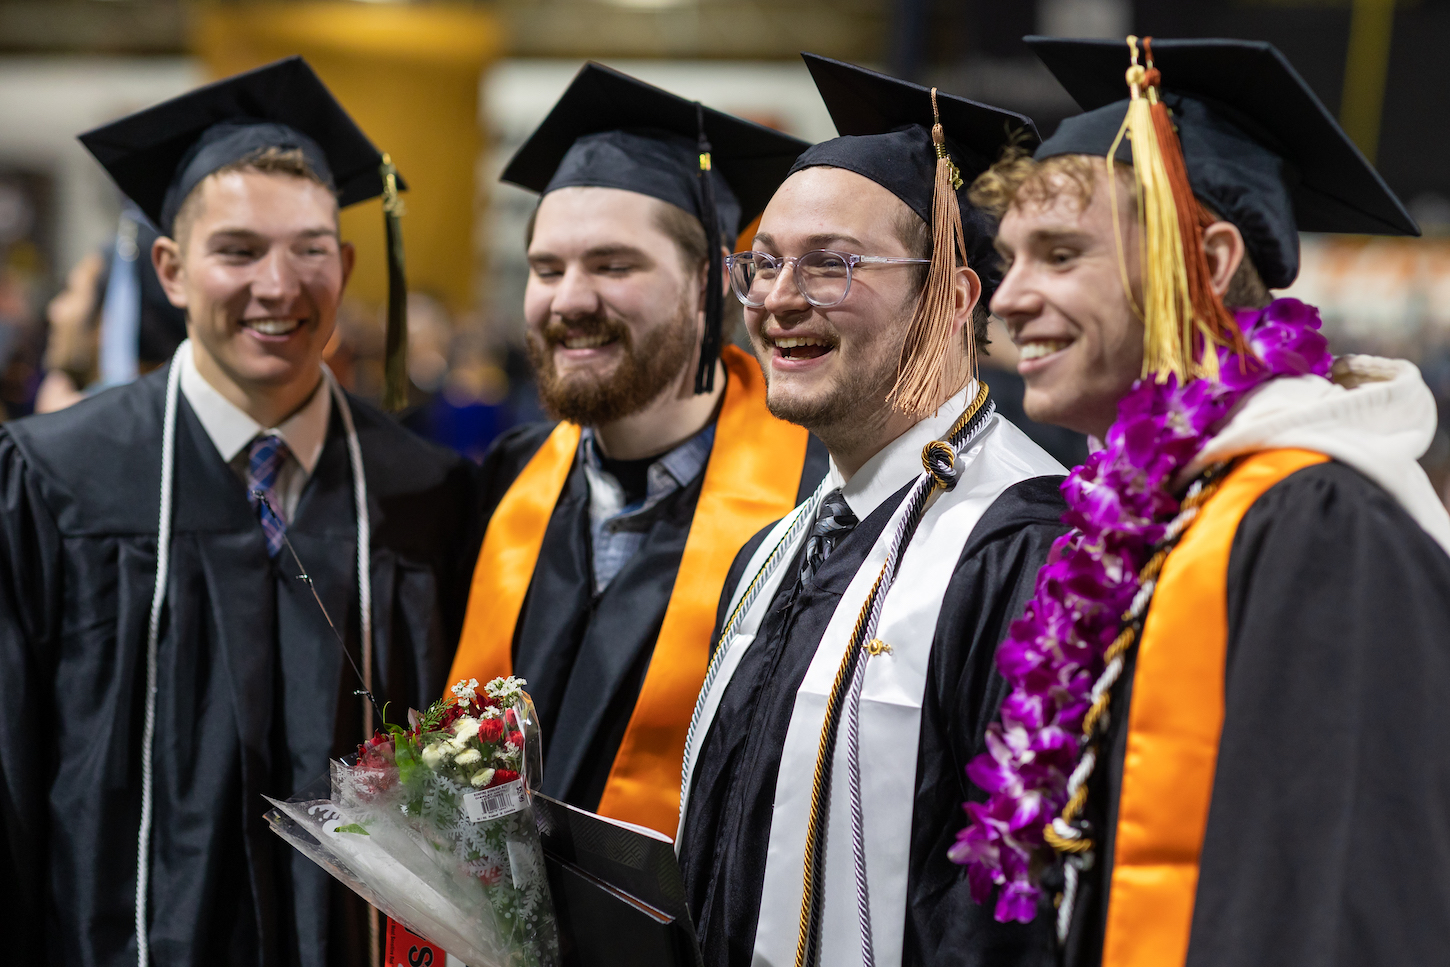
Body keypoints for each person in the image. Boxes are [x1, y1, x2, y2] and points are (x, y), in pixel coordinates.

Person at [956, 36, 1450, 967]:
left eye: (1059, 254)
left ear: (1211, 258)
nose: (1009, 297)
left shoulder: (1318, 523)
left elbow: (1349, 903)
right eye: (1008, 259)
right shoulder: (1150, 519)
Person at [0, 58, 480, 966]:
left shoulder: (425, 492)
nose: (278, 284)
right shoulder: (56, 478)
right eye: (237, 250)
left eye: (308, 249)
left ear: (342, 264)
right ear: (172, 271)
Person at [676, 55, 1070, 967]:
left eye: (831, 266)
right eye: (764, 264)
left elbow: (1007, 926)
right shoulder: (775, 550)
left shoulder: (1022, 549)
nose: (777, 300)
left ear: (953, 297)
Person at [445, 63, 827, 837]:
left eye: (614, 265)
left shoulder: (814, 507)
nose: (570, 298)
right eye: (547, 268)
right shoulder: (504, 478)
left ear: (712, 283)